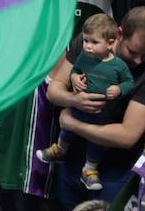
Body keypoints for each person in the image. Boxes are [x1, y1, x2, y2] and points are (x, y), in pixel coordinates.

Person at [44, 7, 145, 204]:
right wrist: (74, 100)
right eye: (133, 51)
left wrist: (72, 124)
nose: (138, 60)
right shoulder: (92, 45)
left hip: (114, 171)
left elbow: (127, 136)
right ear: (118, 35)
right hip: (72, 161)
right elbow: (54, 90)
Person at [38, 13, 136, 191]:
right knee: (66, 130)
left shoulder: (119, 65)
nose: (88, 46)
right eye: (85, 41)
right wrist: (75, 78)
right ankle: (59, 149)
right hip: (79, 109)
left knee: (96, 144)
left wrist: (119, 89)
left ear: (111, 43)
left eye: (94, 42)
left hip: (102, 115)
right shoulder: (84, 57)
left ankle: (90, 170)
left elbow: (129, 82)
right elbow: (74, 70)